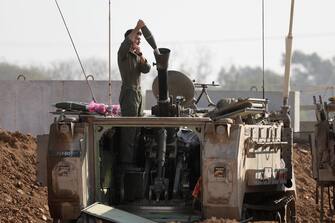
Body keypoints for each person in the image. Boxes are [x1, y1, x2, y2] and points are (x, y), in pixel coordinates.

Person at [118, 19, 151, 168]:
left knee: (138, 129)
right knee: (129, 130)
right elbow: (128, 41)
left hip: (138, 94)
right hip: (129, 92)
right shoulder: (123, 53)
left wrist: (141, 53)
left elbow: (147, 68)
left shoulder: (137, 56)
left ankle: (134, 160)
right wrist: (138, 27)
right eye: (136, 38)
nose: (138, 40)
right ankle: (126, 162)